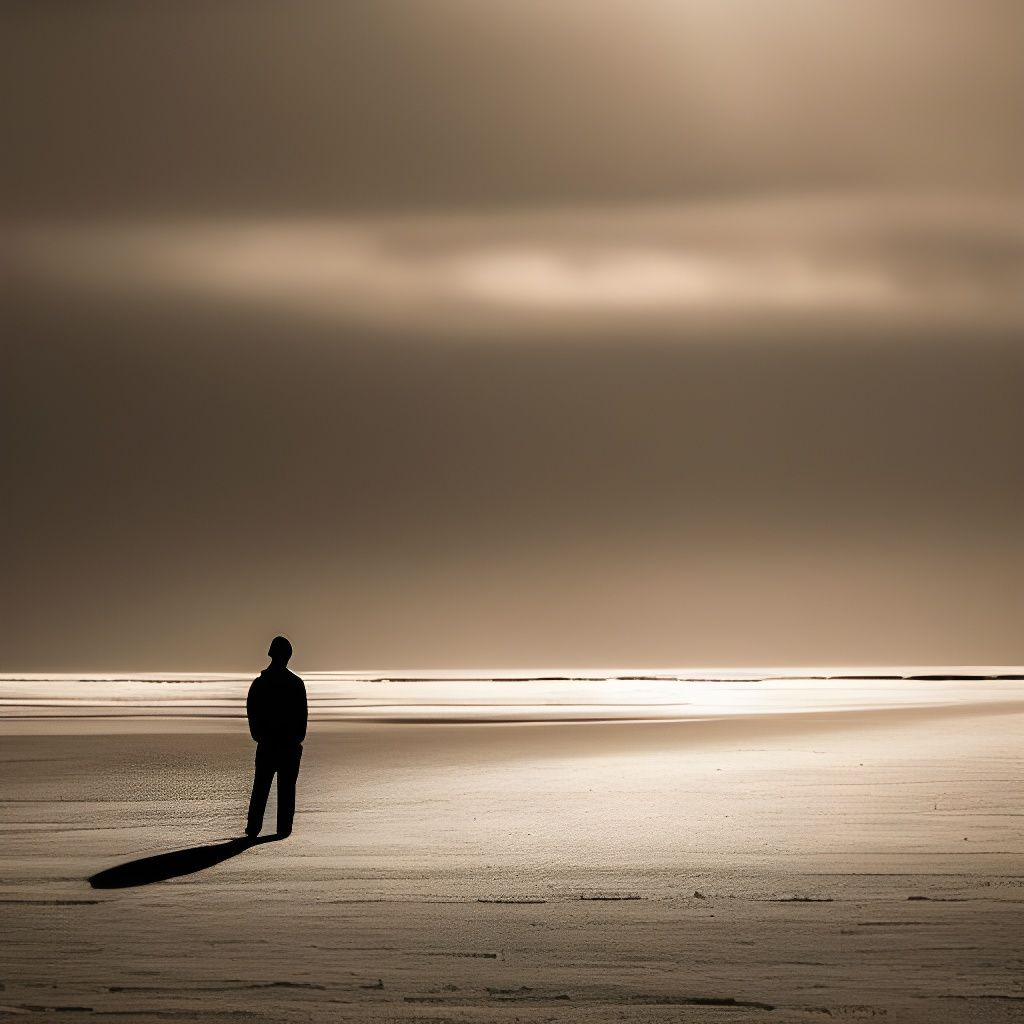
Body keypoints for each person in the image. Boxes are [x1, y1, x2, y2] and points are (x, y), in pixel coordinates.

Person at [245, 636, 307, 838]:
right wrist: (294, 739)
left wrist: (261, 737)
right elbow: (302, 719)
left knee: (262, 788)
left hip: (271, 744)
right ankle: (280, 829)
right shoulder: (295, 684)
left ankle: (255, 828)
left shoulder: (261, 684)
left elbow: (253, 714)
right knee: (280, 789)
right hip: (282, 745)